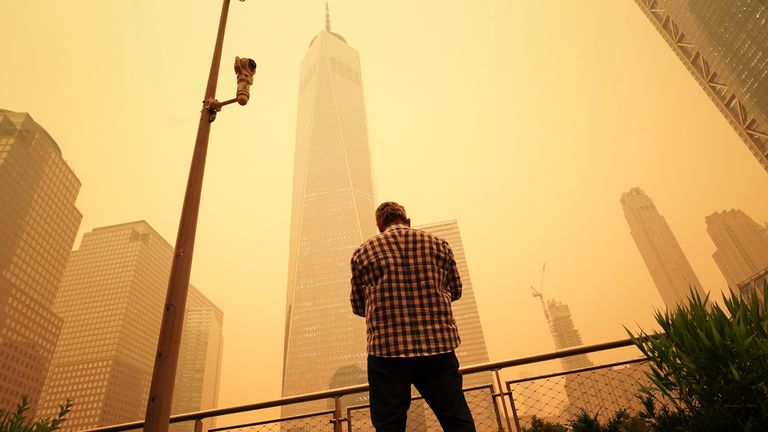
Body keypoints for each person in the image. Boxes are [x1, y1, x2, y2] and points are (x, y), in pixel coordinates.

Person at [350, 201, 476, 432]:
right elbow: (455, 290)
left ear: (380, 226)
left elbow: (358, 306)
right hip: (438, 348)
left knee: (389, 425)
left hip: (387, 353)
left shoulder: (363, 252)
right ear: (407, 221)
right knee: (456, 419)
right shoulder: (439, 244)